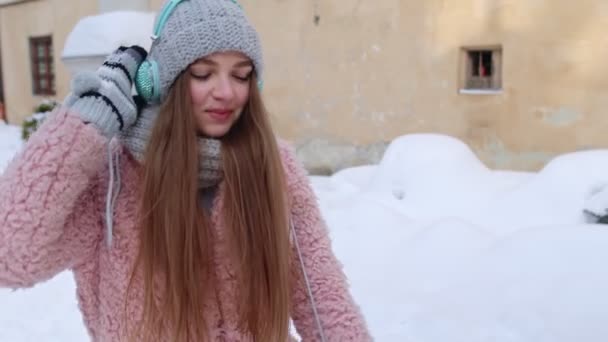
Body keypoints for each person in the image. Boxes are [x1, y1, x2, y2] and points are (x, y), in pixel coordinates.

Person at [0, 0, 371, 341]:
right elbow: (10, 256)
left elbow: (323, 300)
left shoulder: (273, 165)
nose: (226, 92)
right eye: (203, 73)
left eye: (241, 75)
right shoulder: (111, 180)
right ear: (161, 81)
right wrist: (80, 128)